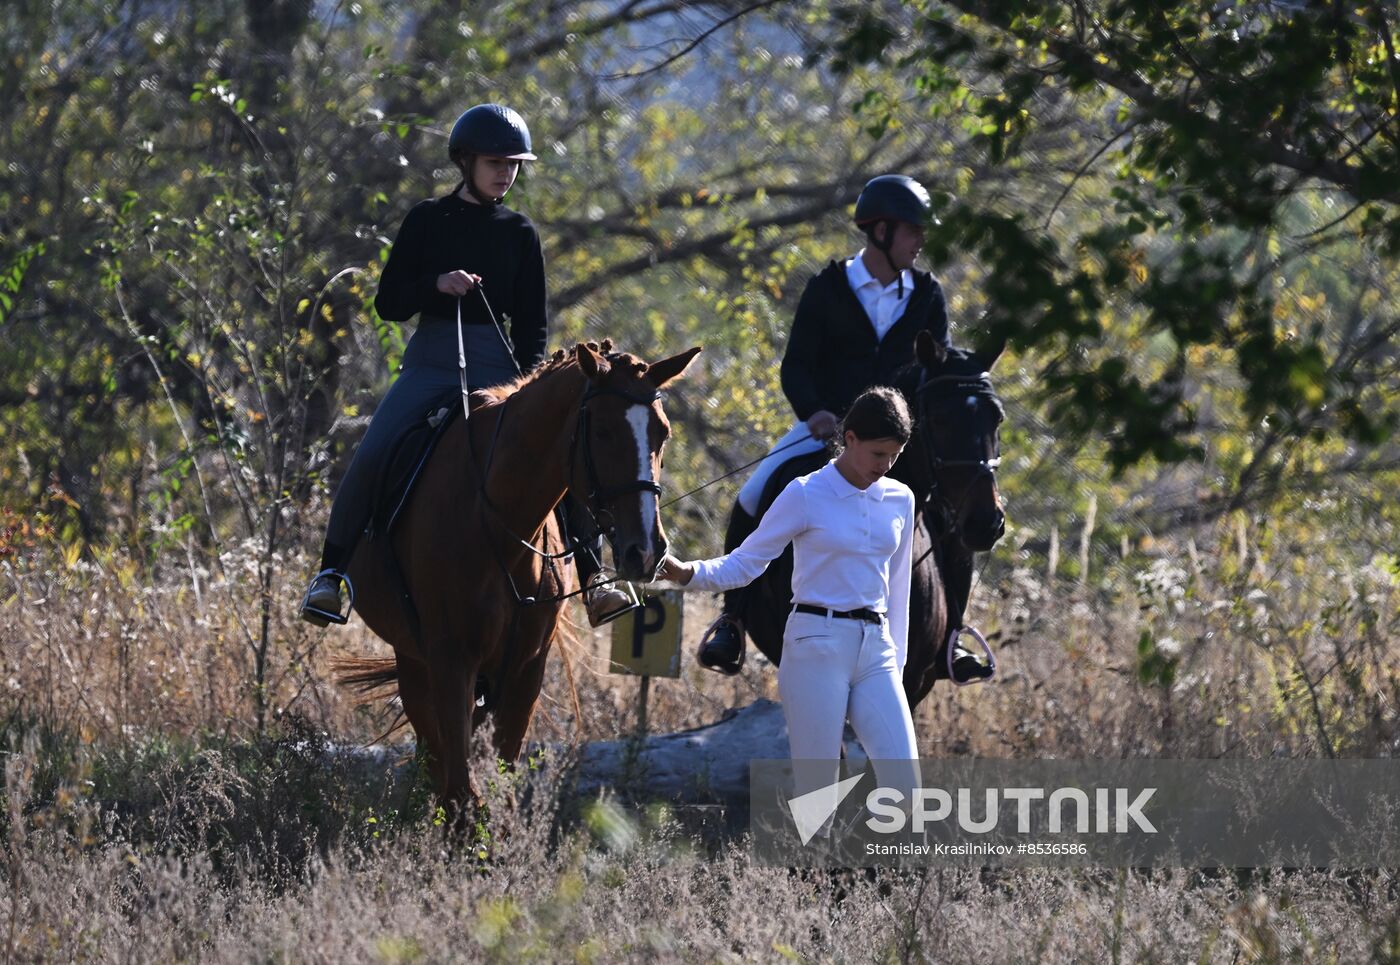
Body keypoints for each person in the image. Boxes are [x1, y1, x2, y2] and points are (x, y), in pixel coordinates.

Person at [299, 103, 632, 629]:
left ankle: (593, 579)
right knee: (374, 451)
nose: (506, 172)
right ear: (466, 160)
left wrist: (530, 386)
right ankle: (331, 575)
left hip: (503, 366)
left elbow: (532, 325)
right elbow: (389, 304)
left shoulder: (520, 232)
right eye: (496, 161)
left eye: (514, 164)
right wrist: (435, 283)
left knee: (561, 450)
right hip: (432, 361)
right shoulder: (427, 220)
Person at [697, 174, 951, 675]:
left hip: (904, 440)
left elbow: (936, 371)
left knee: (957, 508)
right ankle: (733, 619)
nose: (921, 242)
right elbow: (796, 365)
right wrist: (813, 409)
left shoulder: (928, 295)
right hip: (830, 427)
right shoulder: (828, 287)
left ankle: (956, 633)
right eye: (913, 232)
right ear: (879, 231)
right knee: (753, 493)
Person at [658, 387, 921, 811]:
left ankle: (877, 875)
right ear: (849, 438)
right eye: (877, 454)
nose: (885, 466)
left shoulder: (901, 499)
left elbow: (899, 589)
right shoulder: (804, 492)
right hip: (815, 644)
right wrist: (685, 572)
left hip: (877, 651)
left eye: (894, 456)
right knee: (819, 793)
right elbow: (746, 563)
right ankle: (808, 877)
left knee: (905, 783)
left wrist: (899, 662)